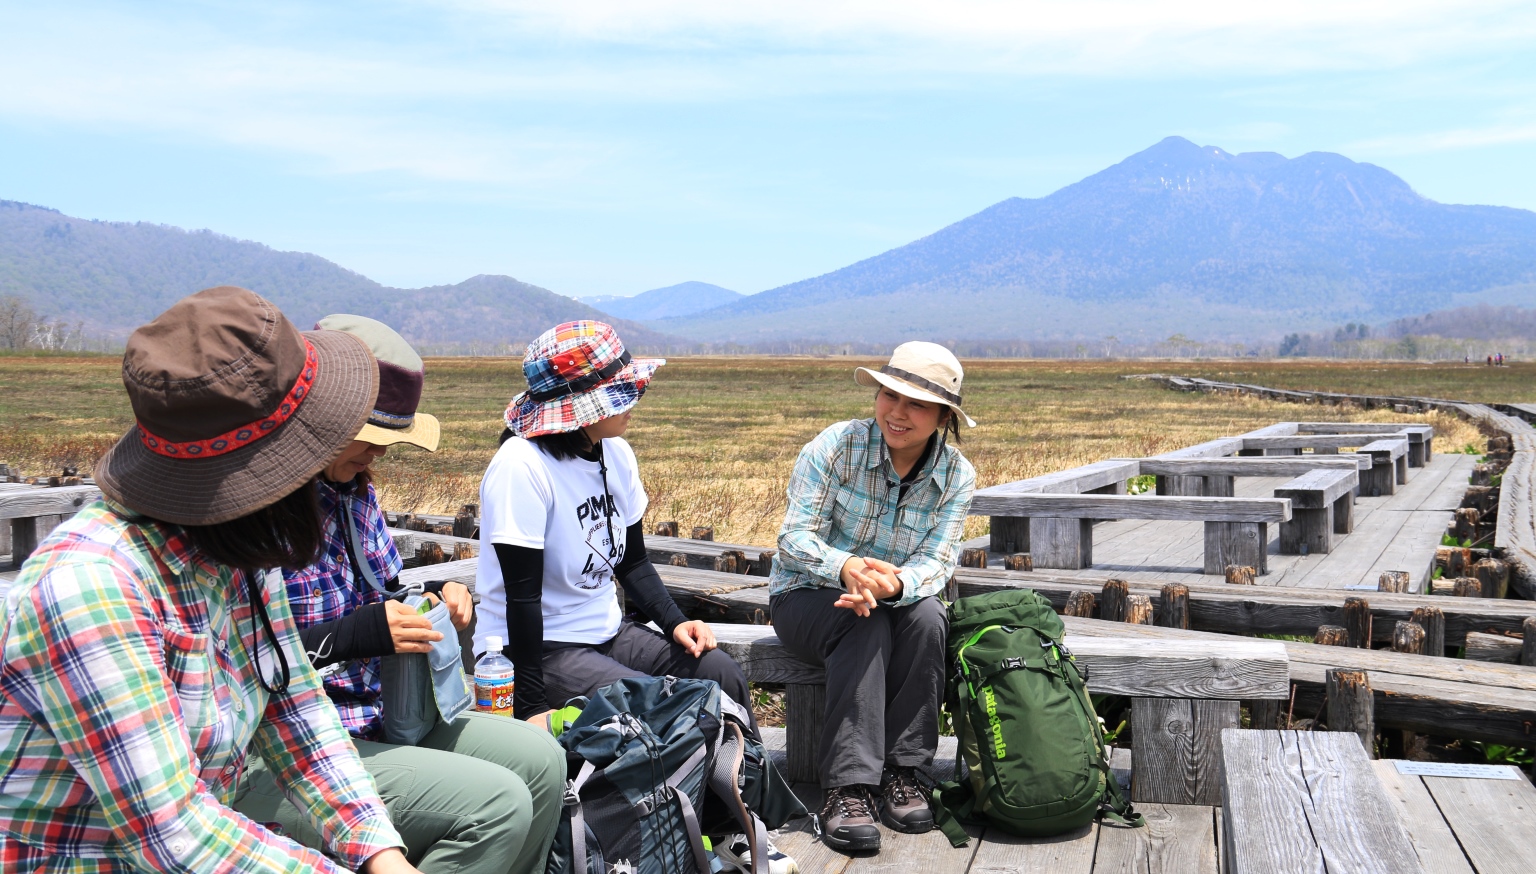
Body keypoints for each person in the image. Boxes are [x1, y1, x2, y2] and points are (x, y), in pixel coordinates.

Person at [0, 287, 419, 873]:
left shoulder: (240, 552)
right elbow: (174, 835)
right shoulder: (93, 589)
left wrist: (379, 850)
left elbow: (294, 707)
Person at [230, 315, 565, 874]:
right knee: (497, 804)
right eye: (372, 438)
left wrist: (437, 604)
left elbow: (385, 592)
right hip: (285, 744)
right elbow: (239, 662)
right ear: (321, 423)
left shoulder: (352, 491)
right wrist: (357, 634)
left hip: (380, 713)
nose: (379, 455)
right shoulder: (254, 513)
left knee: (542, 760)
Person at [474, 320, 796, 874]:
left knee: (719, 673)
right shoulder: (521, 468)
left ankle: (734, 828)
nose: (637, 398)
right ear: (580, 407)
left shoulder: (614, 453)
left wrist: (675, 624)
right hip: (541, 648)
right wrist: (527, 710)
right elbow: (521, 603)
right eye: (623, 390)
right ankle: (670, 840)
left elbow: (632, 560)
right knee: (660, 710)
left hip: (607, 631)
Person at [769, 342, 977, 853]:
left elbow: (939, 560)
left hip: (894, 599)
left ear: (944, 417)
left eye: (917, 405)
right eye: (889, 395)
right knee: (863, 622)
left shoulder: (956, 476)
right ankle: (848, 788)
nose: (897, 413)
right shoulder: (837, 446)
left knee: (929, 617)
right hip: (806, 594)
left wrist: (895, 585)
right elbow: (794, 538)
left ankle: (905, 774)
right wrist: (847, 568)